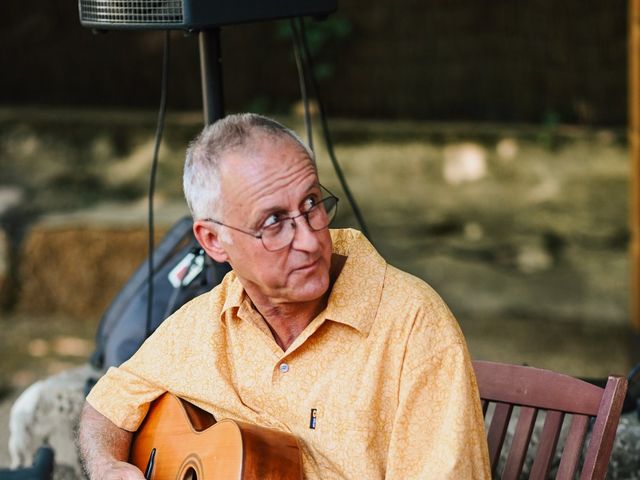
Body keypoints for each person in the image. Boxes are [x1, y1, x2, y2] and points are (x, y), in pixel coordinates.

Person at [78, 113, 490, 479]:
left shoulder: (412, 324)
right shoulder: (207, 323)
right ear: (213, 241)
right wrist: (107, 466)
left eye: (311, 203)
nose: (310, 240)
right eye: (273, 222)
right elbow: (108, 403)